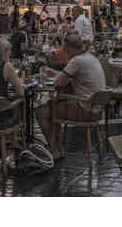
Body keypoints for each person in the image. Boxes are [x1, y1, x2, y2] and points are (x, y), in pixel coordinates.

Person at [36, 31, 106, 159]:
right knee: (54, 105)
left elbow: (58, 83)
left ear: (69, 48)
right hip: (96, 109)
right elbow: (68, 76)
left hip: (85, 109)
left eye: (65, 49)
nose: (64, 52)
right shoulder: (90, 57)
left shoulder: (77, 60)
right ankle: (58, 147)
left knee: (41, 111)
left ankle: (54, 149)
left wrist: (51, 74)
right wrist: (54, 72)